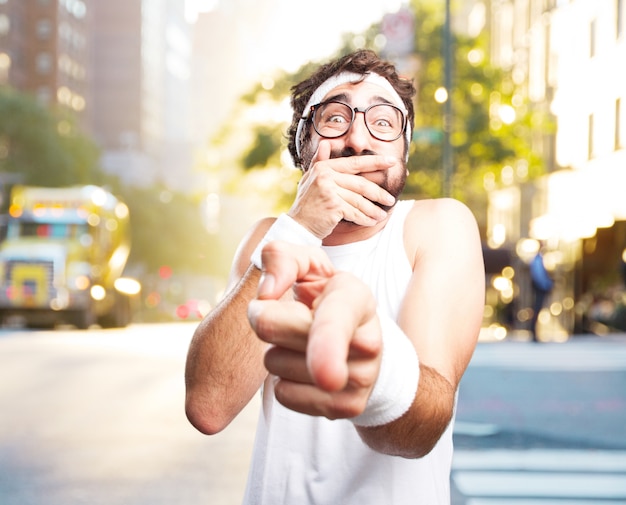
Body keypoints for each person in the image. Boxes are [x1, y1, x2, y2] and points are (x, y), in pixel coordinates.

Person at [185, 49, 485, 504]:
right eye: (335, 118)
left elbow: (418, 431)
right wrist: (299, 230)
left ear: (405, 149)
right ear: (302, 145)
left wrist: (375, 376)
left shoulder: (436, 225)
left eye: (384, 122)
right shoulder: (269, 238)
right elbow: (209, 406)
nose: (358, 140)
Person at [529, 246, 554, 342]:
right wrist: (547, 285)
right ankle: (533, 332)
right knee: (536, 310)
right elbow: (539, 276)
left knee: (537, 310)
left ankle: (534, 332)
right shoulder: (538, 260)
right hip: (540, 288)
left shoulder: (538, 260)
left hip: (540, 287)